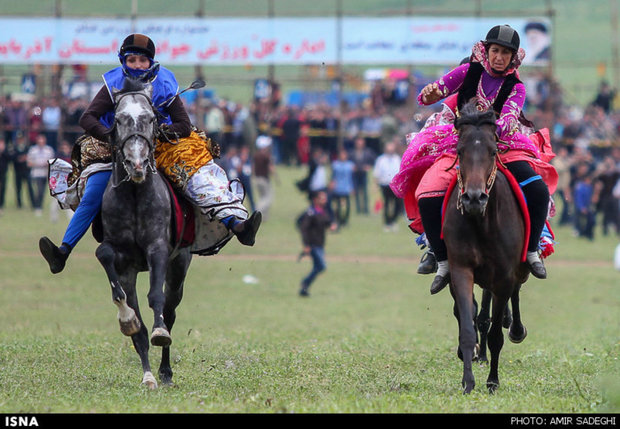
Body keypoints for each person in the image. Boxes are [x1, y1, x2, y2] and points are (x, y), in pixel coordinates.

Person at [39, 33, 261, 274]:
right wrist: (112, 135)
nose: (136, 65)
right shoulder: (113, 82)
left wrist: (159, 132)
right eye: (131, 59)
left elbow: (183, 125)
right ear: (123, 60)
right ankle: (63, 251)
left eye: (142, 61)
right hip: (118, 148)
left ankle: (237, 225)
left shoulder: (164, 82)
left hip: (161, 147)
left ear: (150, 62)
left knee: (198, 178)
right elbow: (87, 118)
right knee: (94, 190)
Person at [390, 24, 558, 294]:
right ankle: (441, 258)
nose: (499, 57)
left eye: (506, 52)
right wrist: (429, 93)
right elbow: (437, 89)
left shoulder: (516, 87)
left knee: (537, 189)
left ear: (513, 57)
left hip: (501, 144)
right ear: (486, 50)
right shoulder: (469, 71)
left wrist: (489, 131)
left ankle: (531, 251)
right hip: (461, 143)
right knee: (426, 192)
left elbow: (509, 119)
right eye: (495, 50)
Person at [298, 190, 336, 297]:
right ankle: (305, 282)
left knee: (317, 267)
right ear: (315, 200)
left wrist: (331, 225)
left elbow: (326, 222)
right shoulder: (311, 213)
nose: (325, 200)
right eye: (322, 198)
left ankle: (304, 288)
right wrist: (306, 245)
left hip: (320, 244)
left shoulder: (322, 211)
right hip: (313, 244)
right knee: (321, 266)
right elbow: (303, 229)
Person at [374, 139, 403, 232]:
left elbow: (400, 171)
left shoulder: (397, 158)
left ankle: (393, 221)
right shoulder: (381, 159)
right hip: (385, 184)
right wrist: (376, 183)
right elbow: (377, 172)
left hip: (395, 185)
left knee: (398, 204)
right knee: (386, 204)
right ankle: (387, 223)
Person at [26, 134, 55, 216]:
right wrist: (37, 164)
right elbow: (29, 162)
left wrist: (46, 164)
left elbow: (52, 161)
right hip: (36, 173)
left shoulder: (49, 150)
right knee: (39, 190)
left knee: (42, 191)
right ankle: (38, 206)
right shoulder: (33, 150)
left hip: (45, 173)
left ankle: (39, 205)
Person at [330, 148, 355, 228]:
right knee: (338, 206)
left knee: (347, 206)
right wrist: (332, 184)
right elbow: (333, 176)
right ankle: (338, 220)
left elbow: (352, 178)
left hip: (347, 188)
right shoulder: (335, 165)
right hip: (338, 188)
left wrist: (352, 187)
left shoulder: (350, 165)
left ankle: (345, 220)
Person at [253, 135, 275, 220]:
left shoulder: (256, 155)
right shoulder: (266, 156)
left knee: (262, 196)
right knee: (267, 198)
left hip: (257, 179)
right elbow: (271, 168)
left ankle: (264, 217)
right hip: (264, 179)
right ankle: (258, 210)